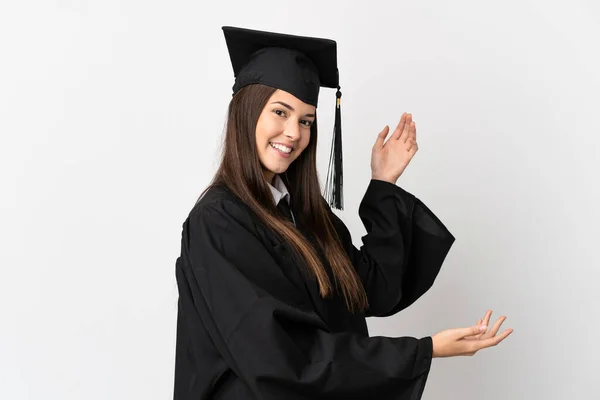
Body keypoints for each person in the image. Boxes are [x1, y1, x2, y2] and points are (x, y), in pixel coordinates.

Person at [173, 26, 513, 400]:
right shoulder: (219, 222)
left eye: (305, 120)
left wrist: (384, 184)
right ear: (247, 110)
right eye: (280, 112)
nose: (293, 133)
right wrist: (425, 350)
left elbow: (372, 291)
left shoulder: (304, 215)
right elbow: (280, 358)